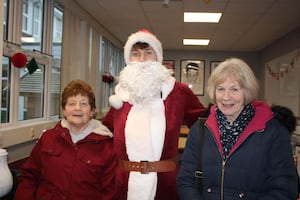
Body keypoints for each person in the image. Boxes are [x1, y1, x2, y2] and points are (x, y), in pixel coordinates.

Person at [102, 29, 206, 200]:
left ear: (158, 57)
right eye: (136, 54)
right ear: (129, 59)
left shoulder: (178, 92)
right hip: (124, 184)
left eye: (148, 53)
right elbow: (105, 131)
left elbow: (204, 125)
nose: (142, 59)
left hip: (165, 184)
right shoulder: (120, 95)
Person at [177, 58, 298, 199]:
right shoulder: (200, 130)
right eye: (220, 89)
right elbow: (186, 181)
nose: (226, 97)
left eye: (234, 89)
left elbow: (285, 189)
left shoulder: (273, 131)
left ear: (247, 92)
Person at [15, 80, 117, 200]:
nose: (77, 108)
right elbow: (29, 176)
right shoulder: (48, 138)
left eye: (83, 104)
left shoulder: (106, 146)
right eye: (72, 103)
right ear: (64, 110)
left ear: (92, 111)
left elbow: (110, 192)